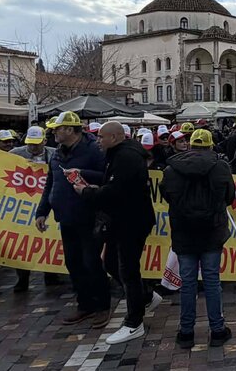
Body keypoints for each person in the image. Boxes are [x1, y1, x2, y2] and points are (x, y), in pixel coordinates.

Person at [71, 122, 156, 344]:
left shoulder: (126, 157)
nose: (98, 141)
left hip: (132, 222)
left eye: (101, 137)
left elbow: (115, 191)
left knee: (128, 270)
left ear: (115, 137)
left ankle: (133, 322)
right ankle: (146, 296)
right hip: (121, 221)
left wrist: (86, 192)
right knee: (110, 264)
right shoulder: (118, 154)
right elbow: (110, 181)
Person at [161, 129, 235, 350]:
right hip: (211, 230)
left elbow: (167, 195)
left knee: (188, 282)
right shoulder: (220, 166)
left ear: (191, 145)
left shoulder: (171, 169)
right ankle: (217, 329)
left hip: (184, 232)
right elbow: (230, 196)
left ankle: (186, 332)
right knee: (212, 281)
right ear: (211, 146)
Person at [35, 111, 110, 329]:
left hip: (89, 217)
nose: (53, 132)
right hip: (66, 218)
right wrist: (42, 211)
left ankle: (102, 306)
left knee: (91, 262)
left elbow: (108, 176)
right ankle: (84, 304)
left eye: (57, 129)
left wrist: (83, 172)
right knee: (73, 263)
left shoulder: (94, 150)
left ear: (69, 129)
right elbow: (51, 183)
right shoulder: (58, 152)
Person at [6, 127, 62, 292]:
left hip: (46, 202)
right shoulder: (15, 153)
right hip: (22, 202)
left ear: (44, 141)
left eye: (37, 144)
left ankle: (51, 274)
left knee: (48, 239)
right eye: (30, 144)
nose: (33, 148)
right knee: (21, 242)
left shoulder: (54, 154)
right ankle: (22, 278)